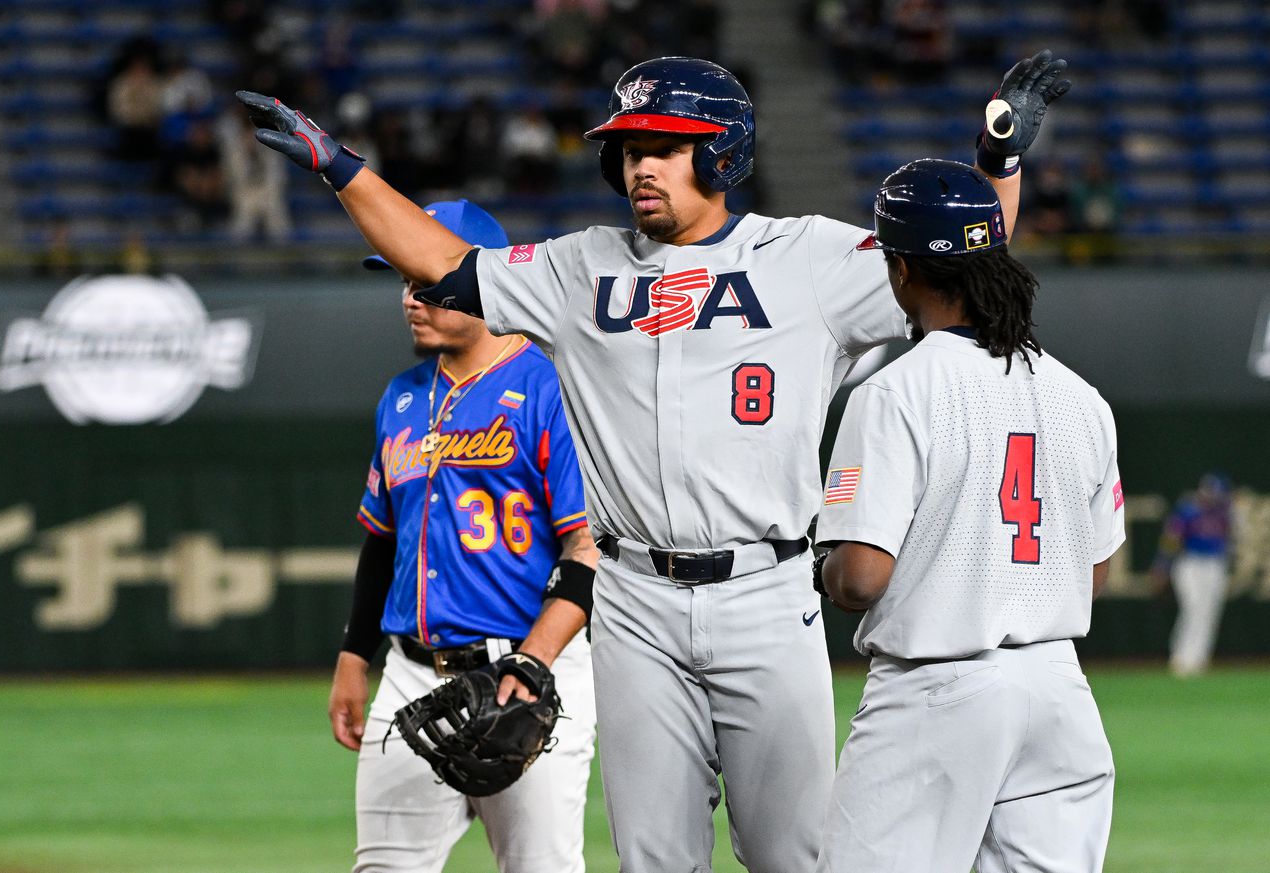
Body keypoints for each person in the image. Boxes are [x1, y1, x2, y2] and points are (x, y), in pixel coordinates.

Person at [239, 50, 1070, 872]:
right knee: (655, 858)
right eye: (631, 149)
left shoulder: (809, 257)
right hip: (634, 600)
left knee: (796, 853)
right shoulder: (578, 267)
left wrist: (996, 160)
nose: (643, 165)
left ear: (721, 155)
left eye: (668, 147)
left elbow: (957, 248)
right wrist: (338, 166)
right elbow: (439, 263)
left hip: (768, 591)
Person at [814, 159, 1123, 872]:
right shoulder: (1084, 397)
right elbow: (1095, 571)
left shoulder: (895, 392)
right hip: (1058, 694)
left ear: (901, 272)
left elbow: (860, 577)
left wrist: (820, 564)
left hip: (937, 689)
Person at [326, 199, 599, 873]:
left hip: (529, 676)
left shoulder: (551, 386)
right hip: (411, 676)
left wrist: (533, 664)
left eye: (426, 282)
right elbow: (383, 540)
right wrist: (354, 654)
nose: (410, 299)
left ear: (482, 282)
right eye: (402, 282)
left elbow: (586, 548)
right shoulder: (402, 396)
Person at [1153, 472, 1234, 677]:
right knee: (1193, 609)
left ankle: (1199, 659)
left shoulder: (1223, 513)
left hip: (1215, 565)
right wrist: (1162, 565)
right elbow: (1172, 538)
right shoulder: (1188, 511)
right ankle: (1181, 657)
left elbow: (1228, 540)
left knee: (1209, 612)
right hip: (1190, 563)